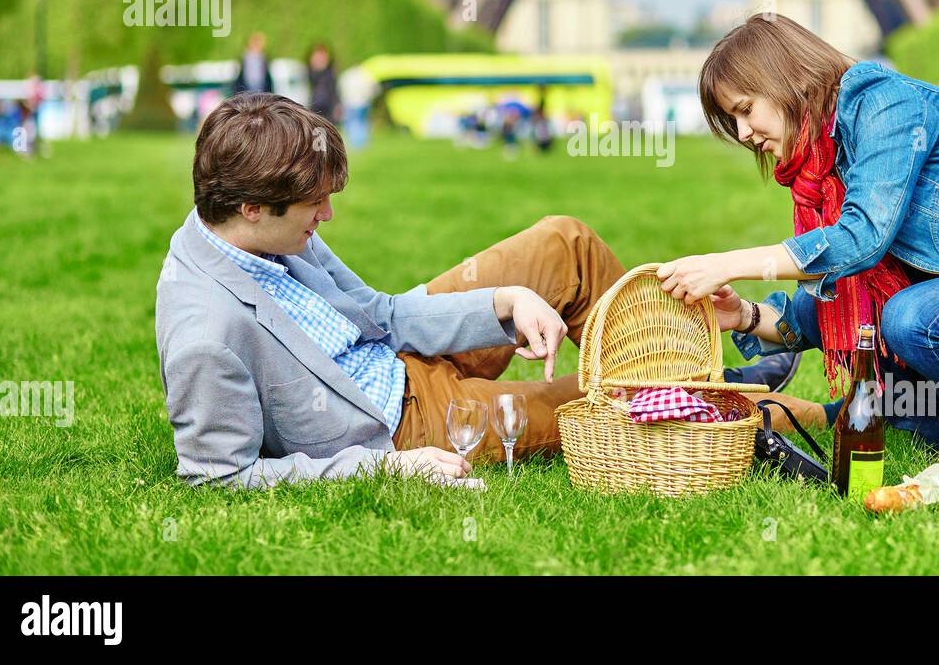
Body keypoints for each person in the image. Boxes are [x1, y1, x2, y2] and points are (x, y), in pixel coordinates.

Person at [155, 93, 820, 489]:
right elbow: (220, 475)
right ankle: (750, 404)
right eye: (312, 206)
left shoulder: (275, 229)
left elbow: (382, 315)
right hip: (402, 425)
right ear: (249, 206)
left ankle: (685, 375)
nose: (326, 217)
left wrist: (501, 305)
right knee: (613, 401)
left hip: (397, 355)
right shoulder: (205, 334)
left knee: (565, 242)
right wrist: (390, 469)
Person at [656, 15, 939, 469]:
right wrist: (743, 315)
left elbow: (861, 240)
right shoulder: (824, 163)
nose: (743, 134)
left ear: (783, 79)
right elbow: (833, 296)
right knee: (876, 340)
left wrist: (727, 262)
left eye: (745, 109)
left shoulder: (883, 103)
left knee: (908, 318)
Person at [306, 43, 340, 122]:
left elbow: (334, 92)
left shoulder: (330, 73)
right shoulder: (308, 73)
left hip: (328, 110)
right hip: (312, 108)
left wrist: (337, 106)